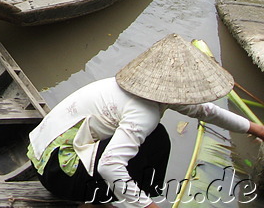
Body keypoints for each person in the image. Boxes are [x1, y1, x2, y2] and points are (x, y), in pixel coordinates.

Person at [28, 33, 264, 208]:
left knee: (154, 136)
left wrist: (254, 128)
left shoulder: (132, 87)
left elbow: (205, 111)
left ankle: (110, 198)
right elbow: (109, 165)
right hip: (58, 174)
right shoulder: (144, 112)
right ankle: (96, 201)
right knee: (157, 140)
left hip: (41, 156)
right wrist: (148, 206)